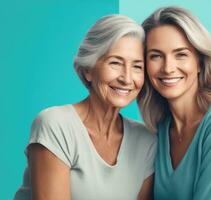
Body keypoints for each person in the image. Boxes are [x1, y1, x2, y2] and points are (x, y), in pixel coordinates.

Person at [14, 14, 156, 200]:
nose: (127, 78)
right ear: (88, 70)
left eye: (137, 67)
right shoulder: (56, 125)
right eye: (115, 63)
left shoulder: (146, 140)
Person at [137, 6, 211, 200]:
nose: (168, 68)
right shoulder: (161, 130)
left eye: (181, 54)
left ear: (200, 62)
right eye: (156, 56)